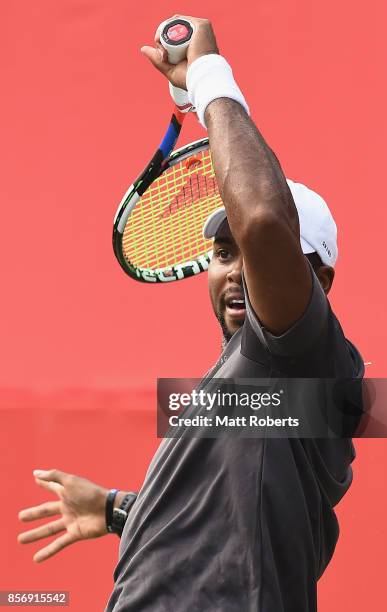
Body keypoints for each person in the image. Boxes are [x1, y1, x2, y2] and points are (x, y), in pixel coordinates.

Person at [18, 16, 364, 612]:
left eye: (253, 255)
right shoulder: (260, 390)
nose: (235, 269)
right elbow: (231, 528)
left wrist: (208, 77)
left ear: (320, 281)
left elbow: (261, 219)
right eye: (222, 253)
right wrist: (120, 509)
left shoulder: (297, 355)